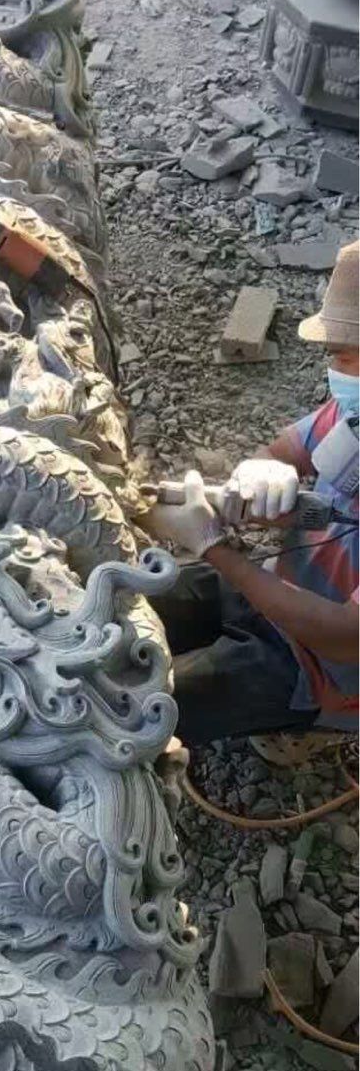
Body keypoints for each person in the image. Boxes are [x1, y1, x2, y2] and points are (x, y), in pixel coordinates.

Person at [143, 239, 359, 747]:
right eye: (337, 354)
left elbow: (345, 636)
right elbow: (286, 449)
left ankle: (308, 727)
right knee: (132, 608)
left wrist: (212, 546)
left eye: (349, 355)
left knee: (132, 711)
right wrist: (259, 474)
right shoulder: (353, 415)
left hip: (316, 664)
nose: (338, 368)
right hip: (270, 583)